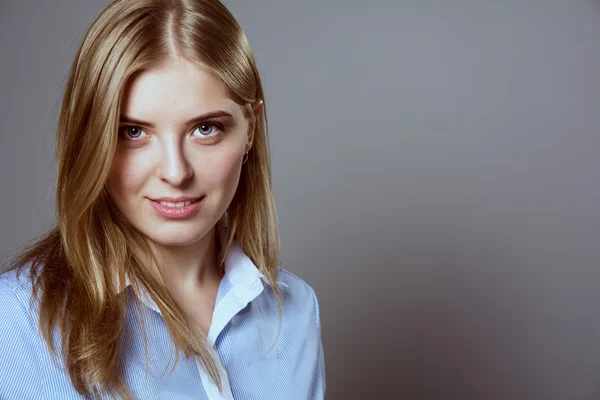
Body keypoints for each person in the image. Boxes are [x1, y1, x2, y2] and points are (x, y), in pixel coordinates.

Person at [0, 0, 326, 399]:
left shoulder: (293, 312)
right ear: (92, 138)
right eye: (133, 132)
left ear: (250, 131)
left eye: (205, 128)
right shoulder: (14, 324)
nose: (175, 172)